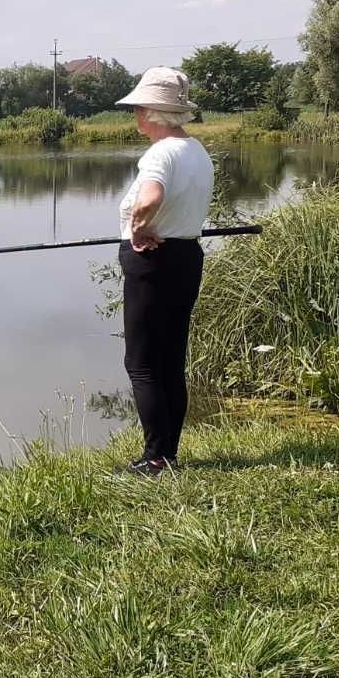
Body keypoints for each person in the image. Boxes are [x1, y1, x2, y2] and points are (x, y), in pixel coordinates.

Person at [114, 66, 214, 475]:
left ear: (153, 112)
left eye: (138, 107)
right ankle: (167, 453)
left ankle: (155, 458)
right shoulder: (197, 151)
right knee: (171, 359)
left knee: (141, 362)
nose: (135, 114)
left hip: (153, 263)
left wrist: (139, 230)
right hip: (186, 257)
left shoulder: (160, 153)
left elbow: (149, 197)